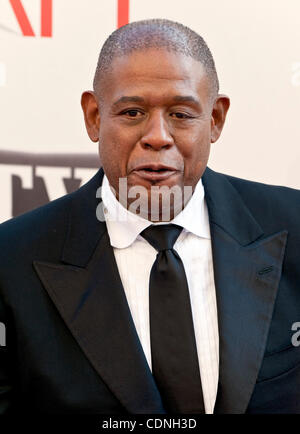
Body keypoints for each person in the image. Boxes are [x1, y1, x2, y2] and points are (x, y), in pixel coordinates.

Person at [0, 18, 300, 415]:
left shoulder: (293, 227)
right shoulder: (11, 261)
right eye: (132, 112)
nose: (157, 135)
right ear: (94, 116)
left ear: (215, 120)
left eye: (180, 114)